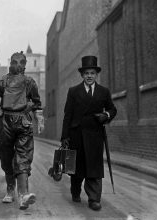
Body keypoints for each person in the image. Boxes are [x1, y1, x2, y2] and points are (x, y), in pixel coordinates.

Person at [0, 51, 44, 210]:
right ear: (10, 63)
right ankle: (10, 188)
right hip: (5, 123)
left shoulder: (30, 83)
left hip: (23, 122)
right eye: (15, 62)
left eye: (21, 62)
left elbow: (36, 103)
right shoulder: (1, 83)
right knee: (6, 156)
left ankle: (23, 194)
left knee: (23, 157)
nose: (18, 65)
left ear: (25, 64)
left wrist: (39, 119)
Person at [60, 56, 117, 211]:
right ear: (82, 75)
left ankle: (94, 199)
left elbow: (112, 109)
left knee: (94, 167)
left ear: (96, 74)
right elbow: (68, 115)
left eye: (92, 73)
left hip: (95, 135)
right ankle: (75, 190)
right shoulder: (73, 91)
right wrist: (64, 137)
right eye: (86, 73)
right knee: (77, 168)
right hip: (76, 135)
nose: (89, 76)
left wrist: (106, 116)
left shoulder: (103, 92)